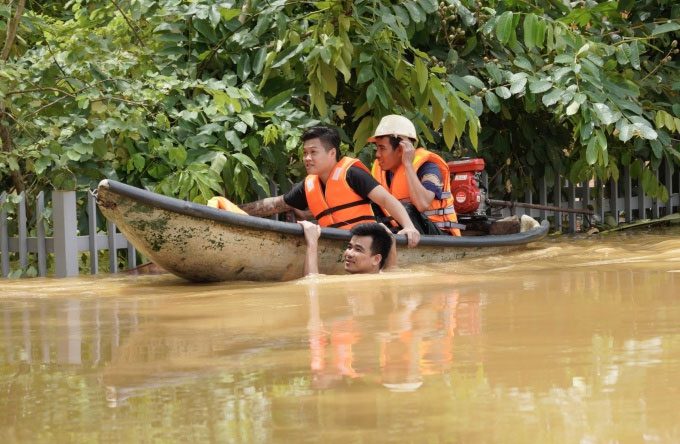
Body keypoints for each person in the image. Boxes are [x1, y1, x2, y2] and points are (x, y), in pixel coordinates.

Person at [239, 126, 421, 246]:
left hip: (366, 244)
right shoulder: (309, 184)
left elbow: (386, 200)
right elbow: (275, 204)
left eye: (313, 152)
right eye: (305, 153)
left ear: (332, 153)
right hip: (338, 244)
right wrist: (233, 212)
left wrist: (409, 227)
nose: (307, 158)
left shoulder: (352, 174)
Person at [368, 115, 464, 236]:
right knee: (371, 204)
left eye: (382, 148)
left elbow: (422, 204)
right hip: (405, 231)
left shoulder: (428, 167)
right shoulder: (380, 171)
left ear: (401, 149)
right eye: (377, 148)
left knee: (406, 209)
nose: (377, 154)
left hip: (439, 234)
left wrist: (407, 164)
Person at [299, 220, 396, 275]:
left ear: (376, 259)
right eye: (349, 247)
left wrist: (312, 242)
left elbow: (312, 285)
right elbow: (391, 269)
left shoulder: (361, 283)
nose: (348, 253)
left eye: (358, 249)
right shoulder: (386, 278)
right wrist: (392, 241)